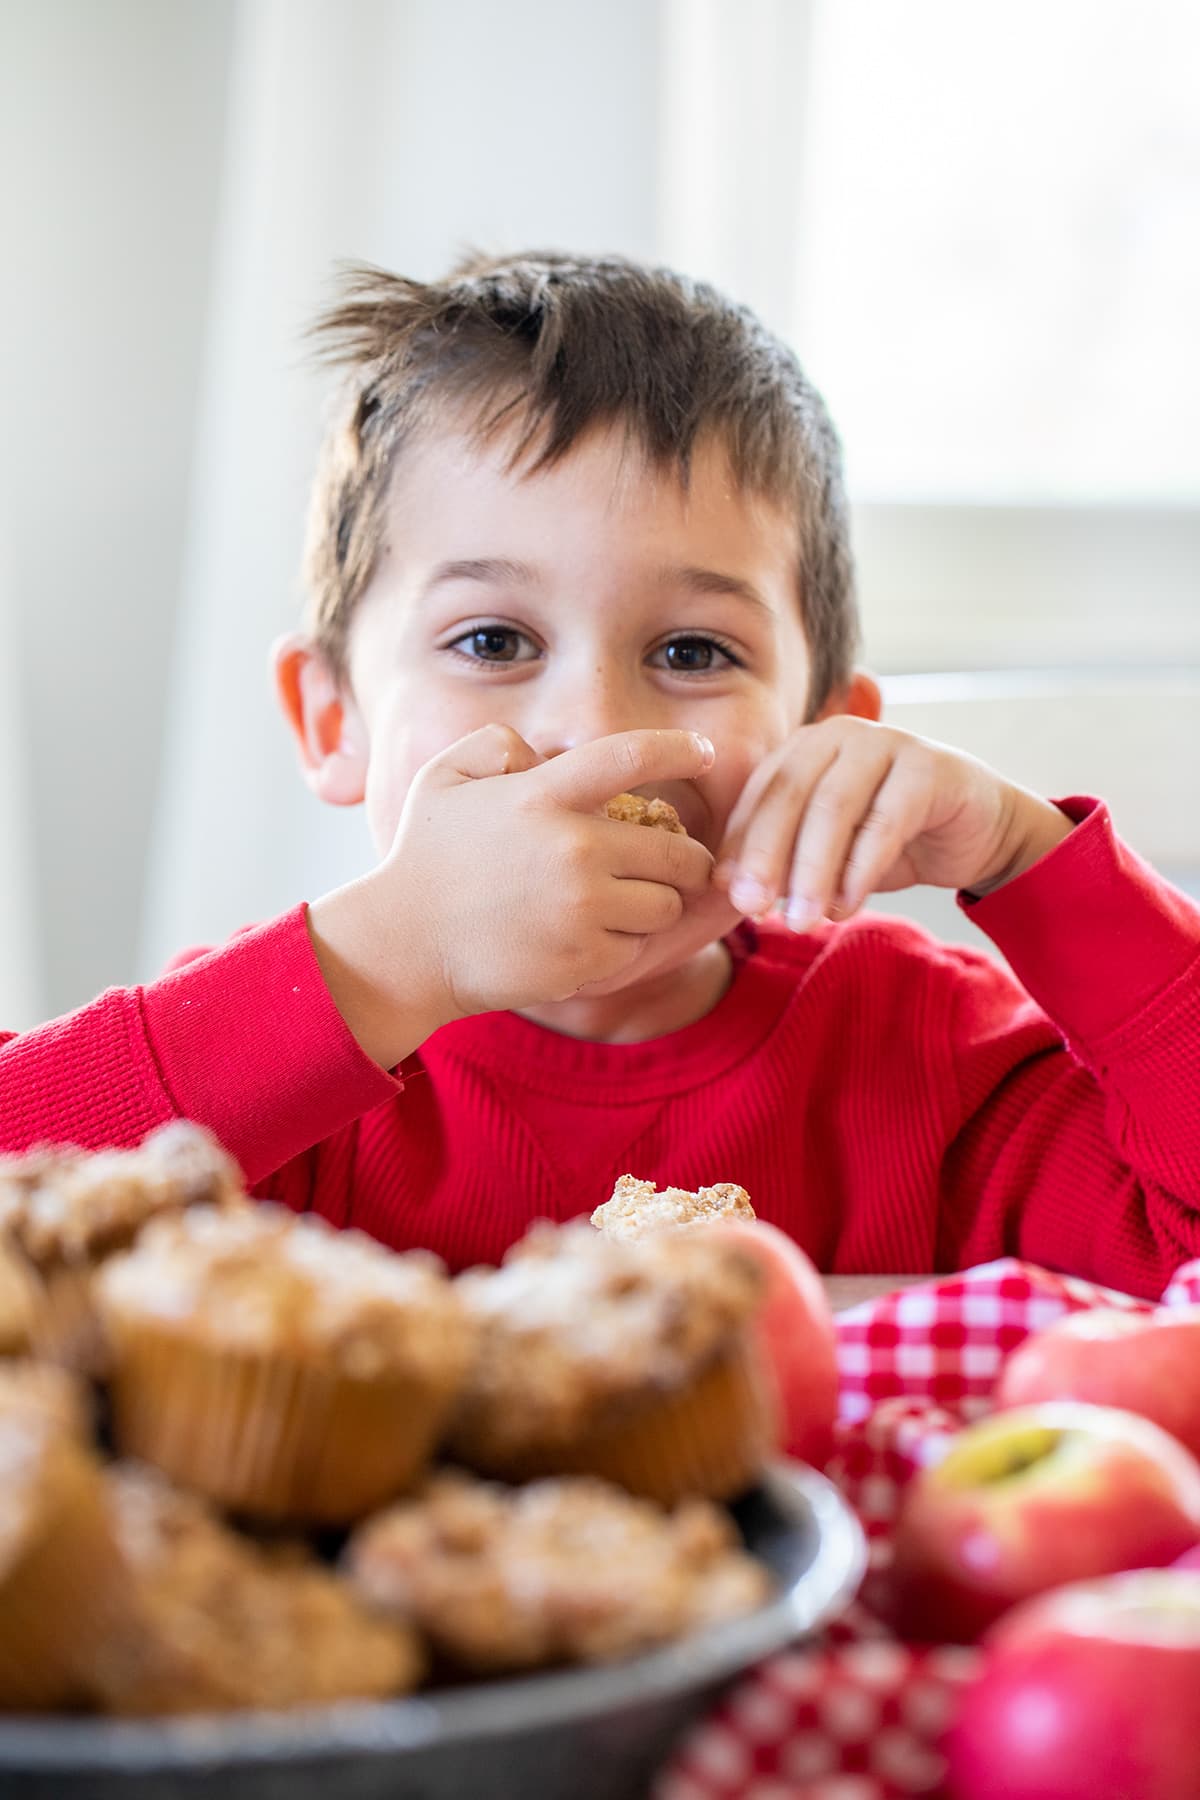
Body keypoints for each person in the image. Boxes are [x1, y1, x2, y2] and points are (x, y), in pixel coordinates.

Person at [2, 252, 1197, 1298]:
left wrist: (1025, 860)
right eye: (492, 641)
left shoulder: (925, 1055)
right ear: (333, 721)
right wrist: (388, 960)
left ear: (826, 731)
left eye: (691, 652)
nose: (590, 731)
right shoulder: (268, 1059)